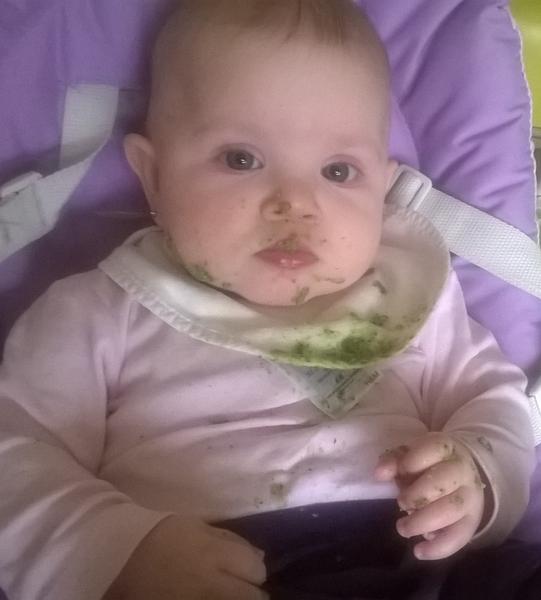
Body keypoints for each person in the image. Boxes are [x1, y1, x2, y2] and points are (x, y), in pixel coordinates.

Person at [0, 1, 535, 599]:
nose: (294, 204)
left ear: (382, 190)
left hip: (424, 563)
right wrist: (115, 549)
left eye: (338, 171)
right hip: (203, 572)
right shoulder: (99, 311)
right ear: (153, 175)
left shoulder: (412, 300)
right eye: (242, 159)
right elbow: (16, 456)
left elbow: (494, 399)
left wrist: (477, 474)